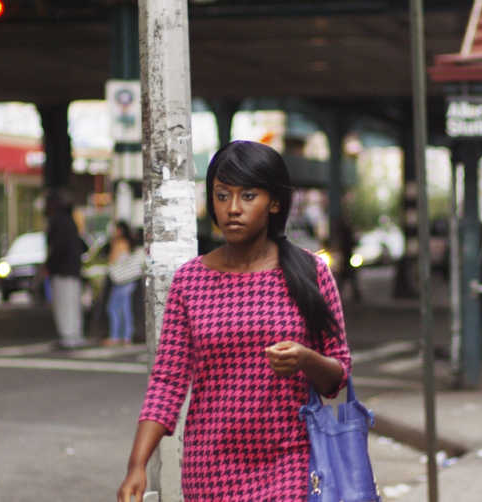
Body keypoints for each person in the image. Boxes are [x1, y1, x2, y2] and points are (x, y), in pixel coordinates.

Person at [117, 141, 352, 502]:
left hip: (291, 462)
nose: (233, 209)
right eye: (222, 196)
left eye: (248, 196)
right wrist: (137, 464)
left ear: (274, 203)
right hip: (210, 470)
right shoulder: (190, 281)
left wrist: (305, 358)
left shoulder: (310, 273)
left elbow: (337, 377)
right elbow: (167, 381)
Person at [45, 190, 87, 350]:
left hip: (61, 270)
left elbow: (56, 248)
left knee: (63, 302)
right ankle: (75, 334)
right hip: (73, 268)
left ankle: (68, 336)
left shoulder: (57, 222)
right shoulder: (71, 221)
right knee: (73, 302)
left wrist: (49, 265)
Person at [104, 221, 144, 347]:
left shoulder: (119, 243)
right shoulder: (129, 243)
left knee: (116, 309)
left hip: (121, 281)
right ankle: (124, 337)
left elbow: (112, 260)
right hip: (128, 281)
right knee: (123, 309)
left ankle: (118, 336)